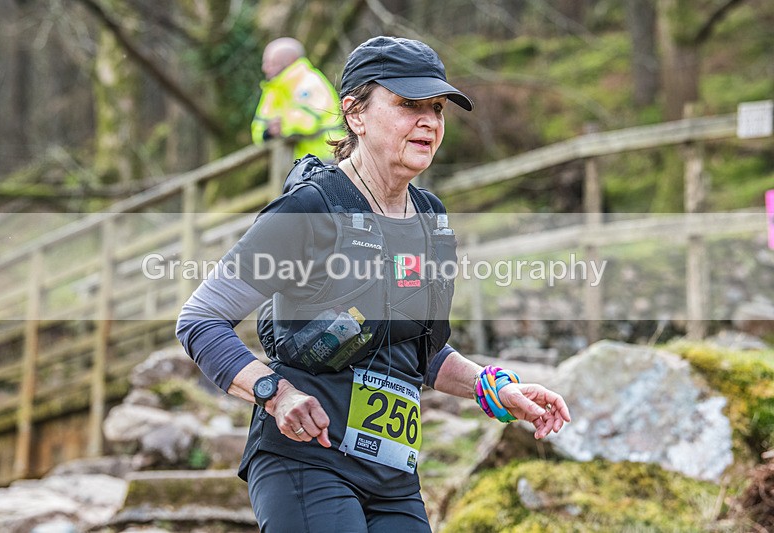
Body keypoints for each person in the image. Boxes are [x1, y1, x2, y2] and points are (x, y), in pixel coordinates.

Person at [177, 36, 570, 532]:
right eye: (408, 104)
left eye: (437, 108)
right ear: (355, 114)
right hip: (306, 461)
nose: (428, 121)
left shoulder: (431, 219)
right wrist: (276, 394)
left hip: (393, 478)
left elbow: (418, 350)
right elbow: (200, 318)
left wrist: (493, 389)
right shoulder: (310, 209)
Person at [251, 37, 345, 162]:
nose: (265, 68)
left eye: (271, 63)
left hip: (328, 159)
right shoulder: (272, 90)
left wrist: (282, 126)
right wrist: (268, 132)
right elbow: (258, 127)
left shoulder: (311, 81)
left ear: (290, 61)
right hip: (298, 165)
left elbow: (308, 122)